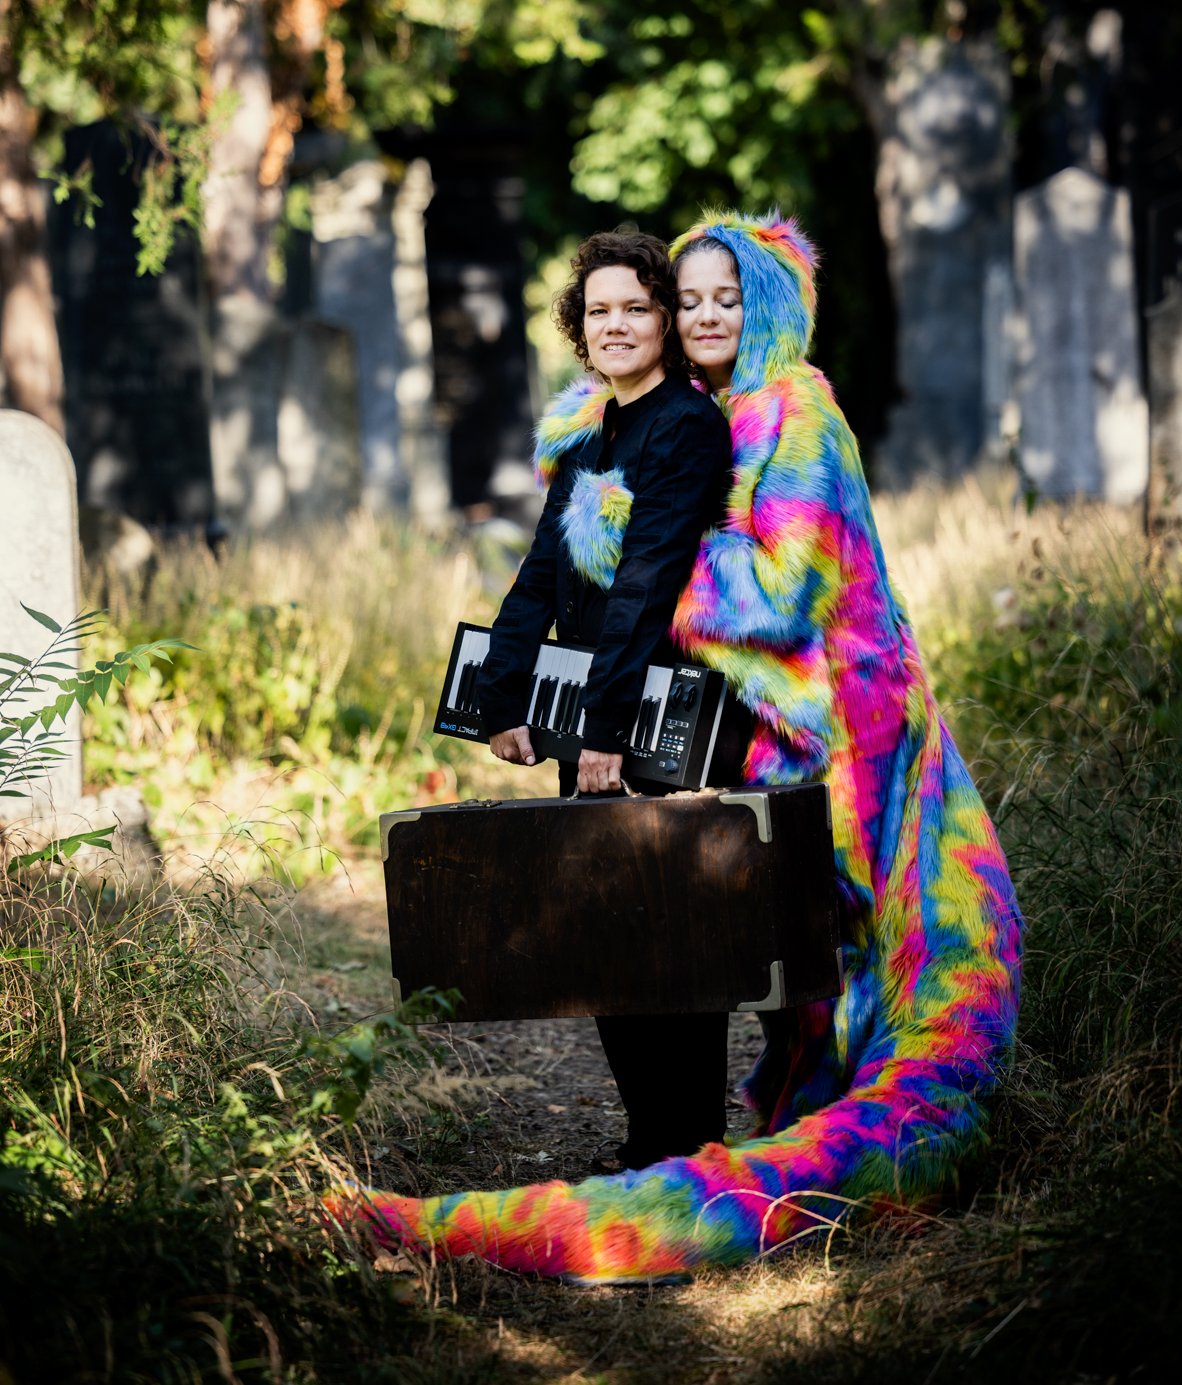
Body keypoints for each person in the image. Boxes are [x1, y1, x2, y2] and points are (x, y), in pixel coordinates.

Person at [336, 212, 1022, 1282]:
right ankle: (771, 1127)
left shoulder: (794, 410)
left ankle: (788, 1148)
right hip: (760, 733)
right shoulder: (706, 409)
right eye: (688, 296)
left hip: (851, 729)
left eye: (722, 298)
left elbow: (784, 583)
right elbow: (565, 571)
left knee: (838, 940)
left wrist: (629, 539)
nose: (704, 315)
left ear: (767, 305)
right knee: (793, 958)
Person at [475, 229, 736, 1169]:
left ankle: (690, 1148)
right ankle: (643, 1145)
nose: (617, 325)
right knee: (601, 931)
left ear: (666, 319)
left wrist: (604, 730)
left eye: (636, 307)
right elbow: (541, 574)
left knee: (673, 934)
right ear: (579, 333)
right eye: (599, 313)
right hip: (593, 710)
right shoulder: (591, 434)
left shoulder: (688, 426)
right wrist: (497, 696)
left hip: (657, 713)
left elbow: (648, 584)